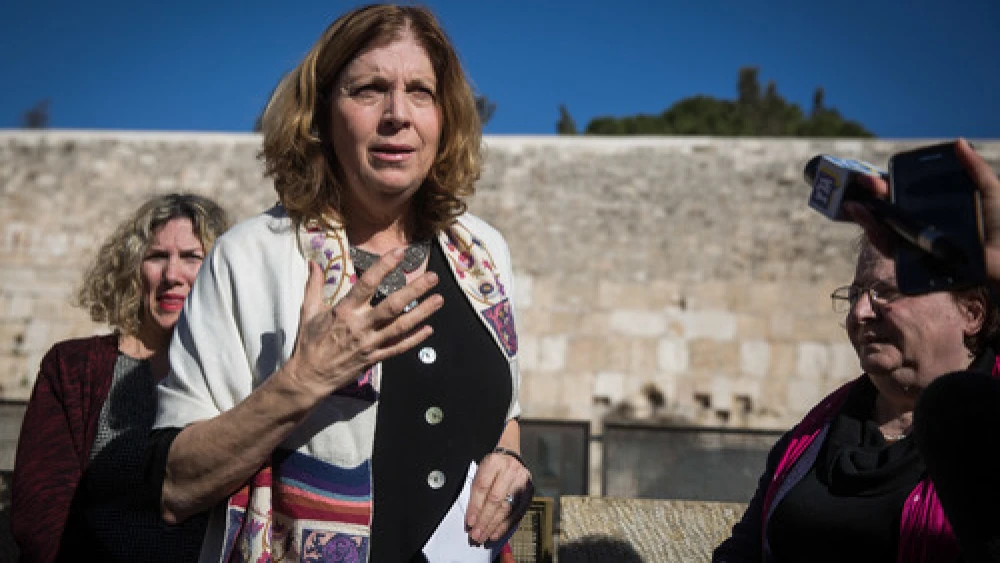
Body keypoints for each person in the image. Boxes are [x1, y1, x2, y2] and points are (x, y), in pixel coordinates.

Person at [148, 5, 532, 563]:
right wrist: (303, 381)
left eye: (420, 92)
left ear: (444, 117)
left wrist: (509, 465)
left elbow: (507, 418)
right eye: (369, 90)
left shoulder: (484, 256)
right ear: (321, 114)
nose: (397, 114)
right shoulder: (250, 257)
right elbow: (173, 487)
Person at [713, 144, 1000, 560]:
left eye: (887, 293)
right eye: (855, 294)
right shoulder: (812, 436)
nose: (861, 312)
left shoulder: (990, 423)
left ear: (971, 312)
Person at [10, 193, 230, 562]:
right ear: (133, 268)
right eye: (157, 256)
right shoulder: (73, 368)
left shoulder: (239, 375)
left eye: (192, 257)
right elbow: (39, 517)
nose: (172, 275)